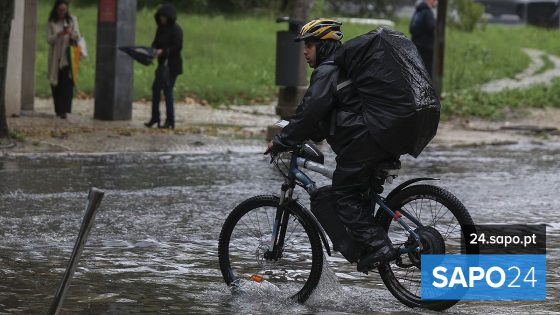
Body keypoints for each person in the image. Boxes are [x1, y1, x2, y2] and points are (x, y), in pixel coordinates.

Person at [267, 19, 397, 272]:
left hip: (362, 143)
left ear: (324, 46)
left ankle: (379, 246)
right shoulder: (344, 69)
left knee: (343, 196)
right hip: (378, 139)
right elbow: (326, 116)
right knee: (353, 197)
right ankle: (366, 247)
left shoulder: (328, 71)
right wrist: (305, 133)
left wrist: (282, 141)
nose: (305, 51)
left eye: (310, 44)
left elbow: (309, 111)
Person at [144, 4, 183, 129]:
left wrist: (164, 51)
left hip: (172, 65)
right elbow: (155, 42)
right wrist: (153, 50)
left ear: (169, 17)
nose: (161, 19)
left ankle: (170, 120)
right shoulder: (160, 29)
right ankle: (155, 117)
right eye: (160, 16)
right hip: (162, 65)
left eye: (164, 17)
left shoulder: (177, 30)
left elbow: (177, 47)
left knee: (168, 92)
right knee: (155, 90)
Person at [47, 0, 81, 119]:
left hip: (68, 56)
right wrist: (60, 34)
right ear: (56, 10)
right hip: (56, 56)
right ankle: (58, 109)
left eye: (64, 10)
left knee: (66, 84)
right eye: (60, 10)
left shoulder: (72, 20)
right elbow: (49, 40)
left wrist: (71, 33)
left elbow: (77, 36)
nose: (62, 12)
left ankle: (64, 110)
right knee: (56, 83)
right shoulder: (52, 22)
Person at [409, 0, 437, 78]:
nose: (436, 2)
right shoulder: (427, 12)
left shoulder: (417, 11)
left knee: (416, 71)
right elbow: (432, 28)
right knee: (427, 73)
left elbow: (411, 29)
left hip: (415, 45)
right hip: (426, 48)